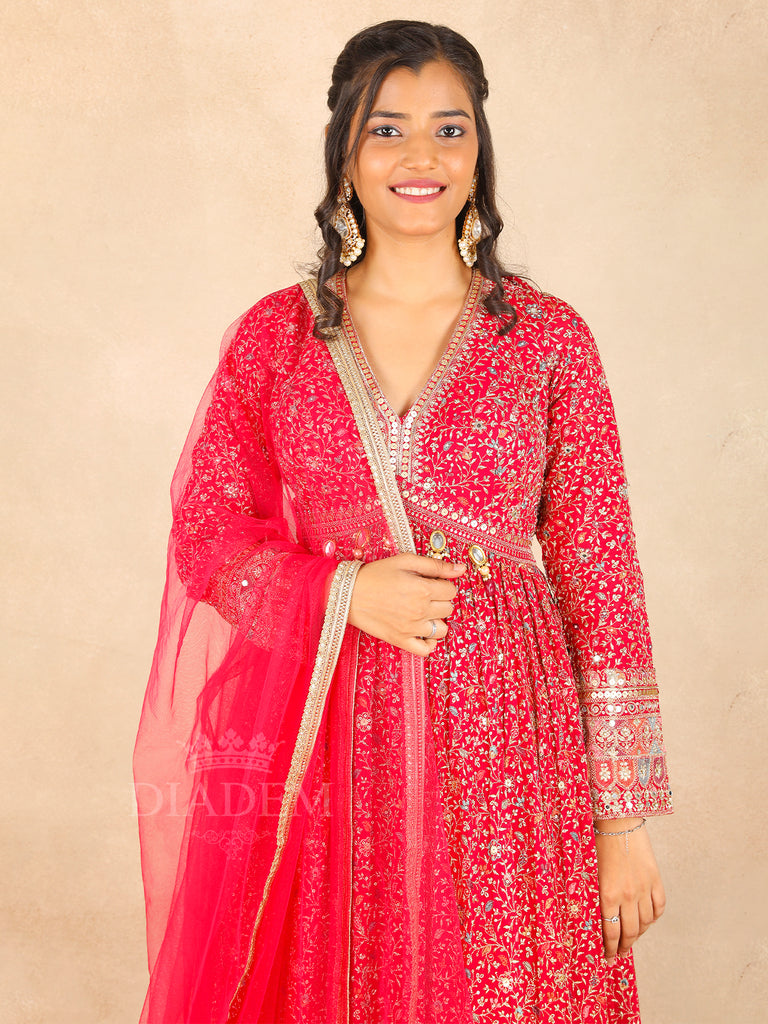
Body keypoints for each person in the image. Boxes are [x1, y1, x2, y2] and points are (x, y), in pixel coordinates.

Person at [133, 19, 673, 1024]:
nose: (421, 158)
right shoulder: (279, 336)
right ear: (344, 149)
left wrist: (624, 820)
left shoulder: (548, 339)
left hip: (517, 749)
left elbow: (602, 575)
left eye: (450, 130)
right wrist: (341, 589)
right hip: (331, 737)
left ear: (481, 154)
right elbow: (208, 528)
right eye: (388, 130)